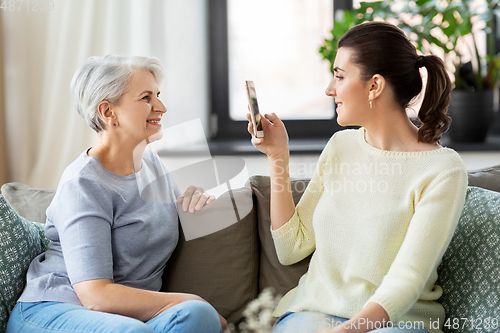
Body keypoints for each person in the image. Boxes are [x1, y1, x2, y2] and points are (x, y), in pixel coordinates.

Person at [246, 22, 467, 333]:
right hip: (313, 315)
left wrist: (347, 331)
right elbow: (291, 247)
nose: (329, 89)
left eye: (339, 76)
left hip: (397, 324)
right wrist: (277, 157)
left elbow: (408, 279)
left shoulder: (442, 170)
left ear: (374, 85)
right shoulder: (340, 146)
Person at [7, 55, 227, 333]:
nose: (161, 107)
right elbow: (95, 295)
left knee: (198, 315)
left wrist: (193, 198)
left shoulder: (153, 166)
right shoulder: (83, 184)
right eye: (146, 98)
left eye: (158, 95)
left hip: (126, 319)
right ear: (108, 112)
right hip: (55, 310)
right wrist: (187, 297)